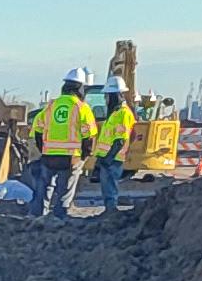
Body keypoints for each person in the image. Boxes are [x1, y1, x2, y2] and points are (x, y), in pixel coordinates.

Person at [28, 71, 98, 218]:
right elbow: (89, 134)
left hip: (49, 156)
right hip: (71, 157)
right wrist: (85, 155)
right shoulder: (82, 107)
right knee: (65, 189)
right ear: (80, 89)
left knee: (44, 186)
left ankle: (38, 214)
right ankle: (60, 216)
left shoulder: (51, 106)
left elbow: (38, 129)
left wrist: (44, 149)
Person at [90, 74, 137, 211]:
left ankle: (111, 213)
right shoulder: (115, 114)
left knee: (110, 189)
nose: (106, 99)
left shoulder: (123, 113)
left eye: (107, 96)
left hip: (113, 158)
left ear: (115, 95)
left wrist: (108, 158)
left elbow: (120, 140)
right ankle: (109, 211)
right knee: (107, 188)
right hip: (108, 158)